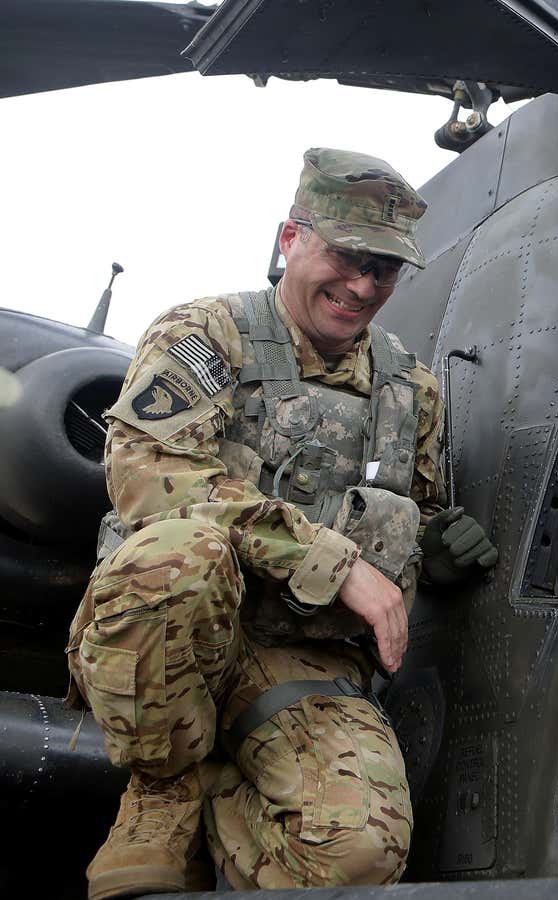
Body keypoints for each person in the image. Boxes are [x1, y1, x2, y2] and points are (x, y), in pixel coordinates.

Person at [65, 148, 498, 897]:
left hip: (304, 659)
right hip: (175, 639)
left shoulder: (410, 391)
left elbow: (415, 517)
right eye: (346, 256)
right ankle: (162, 791)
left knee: (359, 857)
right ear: (290, 238)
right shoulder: (206, 334)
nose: (362, 286)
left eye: (385, 269)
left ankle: (218, 805)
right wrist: (331, 560)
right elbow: (144, 477)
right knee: (182, 552)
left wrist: (433, 551)